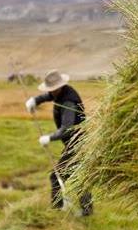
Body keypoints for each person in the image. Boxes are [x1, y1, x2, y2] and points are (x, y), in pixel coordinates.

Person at [25, 70, 93, 215]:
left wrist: (49, 138)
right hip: (77, 142)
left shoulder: (69, 101)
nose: (51, 92)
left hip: (77, 143)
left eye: (52, 89)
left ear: (59, 87)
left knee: (56, 176)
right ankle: (87, 211)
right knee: (79, 176)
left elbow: (67, 128)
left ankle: (57, 210)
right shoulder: (60, 92)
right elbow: (49, 95)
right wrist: (35, 100)